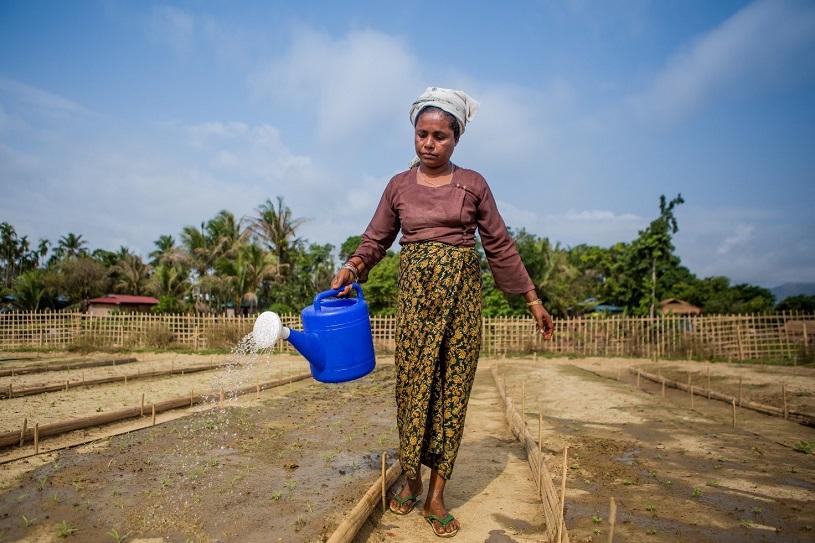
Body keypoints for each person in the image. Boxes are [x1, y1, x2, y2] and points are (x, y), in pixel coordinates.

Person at [330, 87, 554, 538]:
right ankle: (411, 479)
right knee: (412, 388)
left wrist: (532, 298)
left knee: (452, 391)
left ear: (456, 140)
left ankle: (436, 494)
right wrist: (353, 266)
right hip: (414, 301)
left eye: (439, 136)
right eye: (422, 135)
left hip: (462, 302)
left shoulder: (473, 184)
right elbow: (376, 239)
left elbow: (499, 245)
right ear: (414, 135)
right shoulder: (398, 186)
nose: (429, 144)